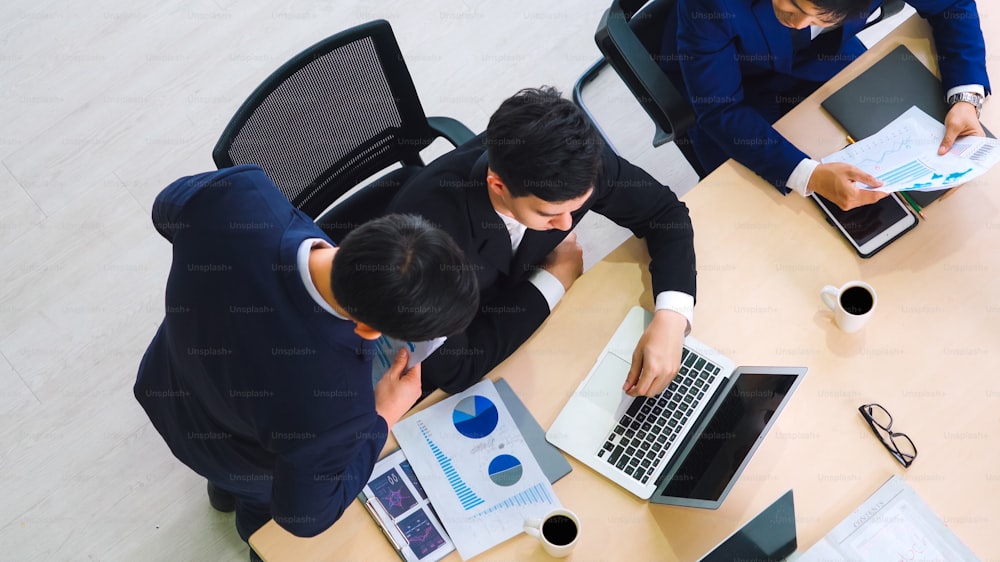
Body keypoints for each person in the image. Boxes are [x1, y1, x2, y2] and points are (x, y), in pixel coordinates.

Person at [133, 164, 479, 556]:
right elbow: (305, 516)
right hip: (242, 460)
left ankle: (221, 493)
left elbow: (168, 207)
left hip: (168, 378)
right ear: (367, 328)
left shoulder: (242, 193)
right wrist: (383, 416)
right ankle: (247, 527)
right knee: (255, 509)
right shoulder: (339, 408)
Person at [387, 86, 697, 399]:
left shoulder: (580, 162)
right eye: (549, 214)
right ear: (498, 185)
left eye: (576, 208)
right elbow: (455, 369)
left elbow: (664, 213)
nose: (566, 224)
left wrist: (672, 317)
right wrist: (552, 280)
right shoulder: (425, 248)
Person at [659, 0, 990, 210]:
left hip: (825, 59)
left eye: (814, 15)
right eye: (791, 2)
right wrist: (809, 175)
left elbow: (952, 5)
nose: (797, 21)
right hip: (729, 86)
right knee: (765, 211)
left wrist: (965, 97)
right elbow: (719, 108)